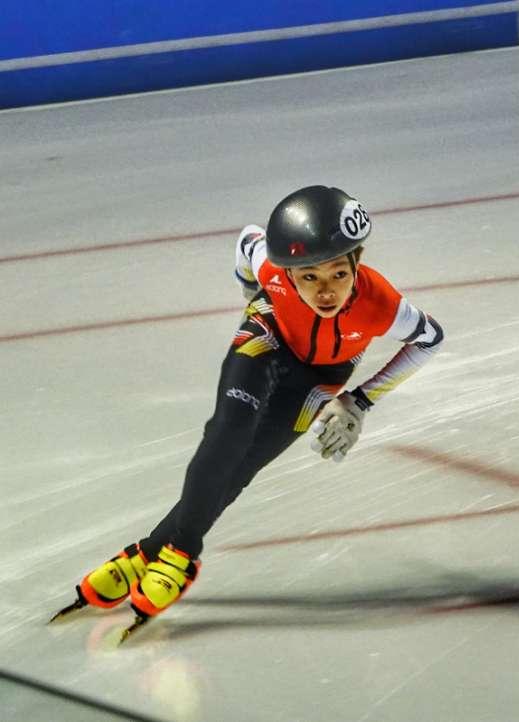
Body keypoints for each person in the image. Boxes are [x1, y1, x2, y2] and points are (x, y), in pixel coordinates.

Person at [52, 186, 444, 635]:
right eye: (309, 277)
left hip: (319, 379)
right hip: (267, 336)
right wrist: (250, 288)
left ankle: (147, 552)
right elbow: (248, 240)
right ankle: (181, 554)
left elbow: (430, 340)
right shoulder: (271, 269)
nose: (326, 291)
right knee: (229, 431)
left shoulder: (383, 305)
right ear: (288, 272)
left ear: (358, 260)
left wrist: (360, 400)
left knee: (242, 467)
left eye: (339, 273)